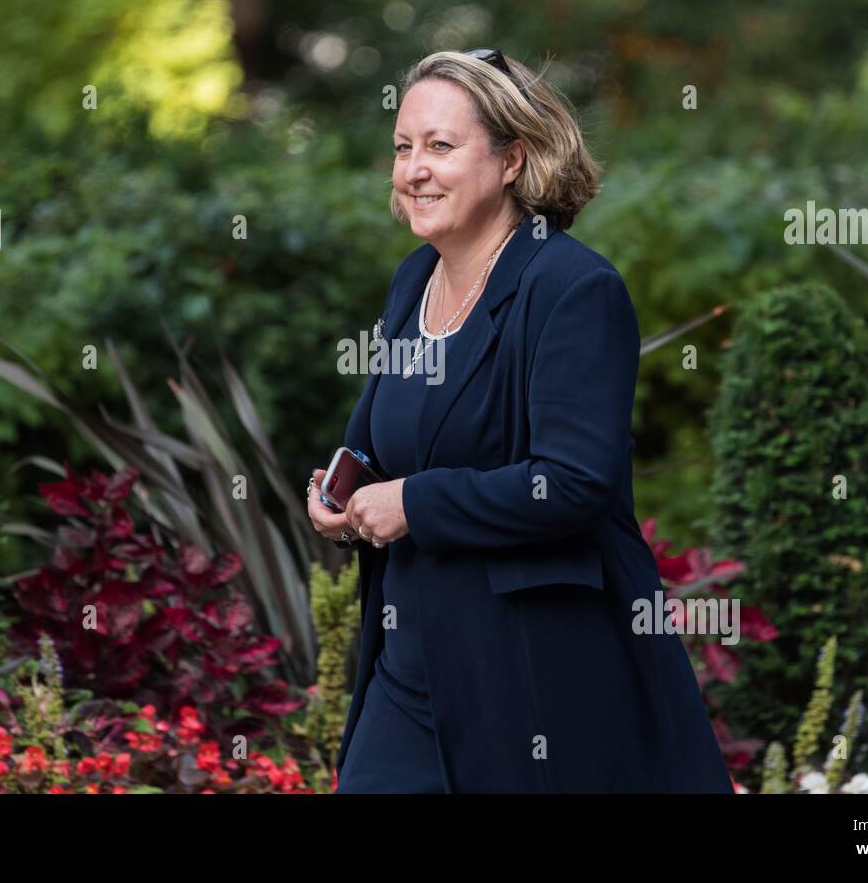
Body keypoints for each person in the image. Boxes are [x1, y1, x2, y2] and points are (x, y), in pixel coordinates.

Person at [308, 48, 734, 793]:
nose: (413, 169)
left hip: (533, 675)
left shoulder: (573, 288)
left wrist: (412, 503)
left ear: (512, 160)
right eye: (403, 148)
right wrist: (348, 490)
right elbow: (382, 433)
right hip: (408, 668)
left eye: (440, 146)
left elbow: (573, 484)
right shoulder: (414, 281)